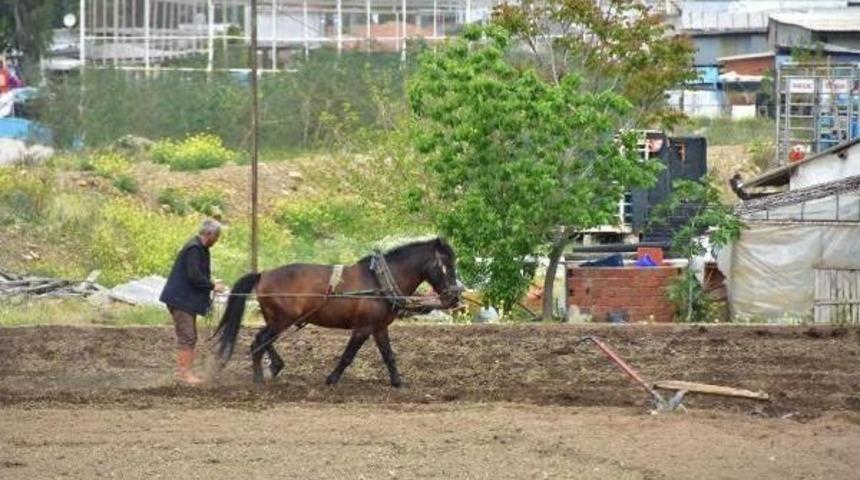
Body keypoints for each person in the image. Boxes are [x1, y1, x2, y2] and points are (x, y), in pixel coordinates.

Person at [160, 218, 226, 384]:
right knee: (188, 336)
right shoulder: (194, 249)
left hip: (185, 299)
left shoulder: (200, 249)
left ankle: (187, 372)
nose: (217, 241)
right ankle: (185, 375)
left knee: (190, 336)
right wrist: (212, 286)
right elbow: (194, 276)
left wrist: (211, 282)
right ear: (209, 234)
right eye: (216, 237)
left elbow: (197, 274)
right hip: (180, 299)